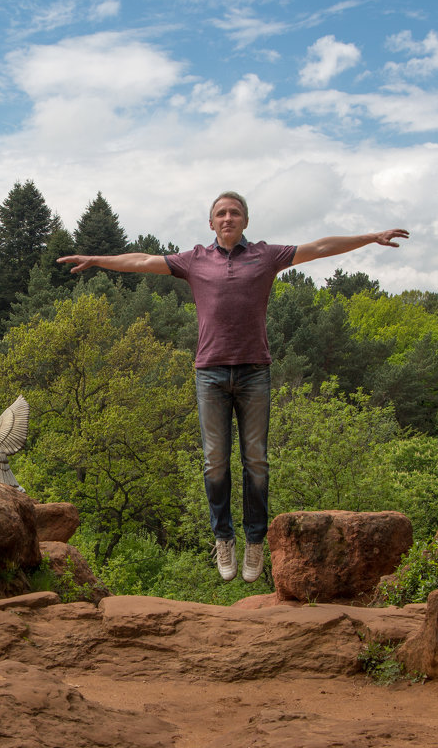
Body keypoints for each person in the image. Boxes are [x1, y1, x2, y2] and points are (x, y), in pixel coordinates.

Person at [58, 191, 408, 582]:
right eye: (221, 213)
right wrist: (97, 260)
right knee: (215, 460)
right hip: (209, 373)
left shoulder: (266, 256)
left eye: (235, 213)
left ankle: (254, 541)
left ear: (244, 221)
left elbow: (320, 246)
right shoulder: (193, 260)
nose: (228, 218)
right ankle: (223, 538)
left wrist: (370, 236)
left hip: (255, 371)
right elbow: (141, 260)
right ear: (211, 223)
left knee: (256, 460)